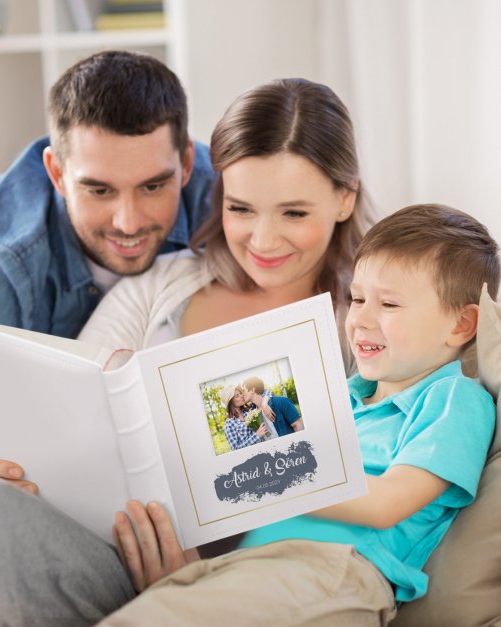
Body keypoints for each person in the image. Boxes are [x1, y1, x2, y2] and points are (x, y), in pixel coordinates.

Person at [0, 77, 373, 626]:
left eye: (294, 214)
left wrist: (194, 579)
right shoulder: (166, 282)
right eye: (241, 209)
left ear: (344, 197)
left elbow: (344, 502)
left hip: (224, 582)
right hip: (86, 544)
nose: (263, 239)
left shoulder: (363, 326)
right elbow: (66, 399)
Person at [101, 204, 498, 626]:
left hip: (334, 571)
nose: (360, 318)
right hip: (248, 566)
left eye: (389, 304)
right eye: (358, 298)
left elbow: (387, 503)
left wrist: (268, 474)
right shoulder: (339, 395)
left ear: (460, 325)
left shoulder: (455, 399)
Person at [0, 50, 214, 497]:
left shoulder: (229, 201)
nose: (128, 222)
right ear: (56, 172)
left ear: (186, 163)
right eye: (98, 190)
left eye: (153, 186)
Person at [219, 385, 269, 450]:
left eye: (240, 394)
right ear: (231, 402)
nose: (241, 396)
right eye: (237, 396)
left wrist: (265, 404)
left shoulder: (250, 410)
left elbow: (267, 392)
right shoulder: (229, 424)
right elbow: (236, 449)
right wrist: (256, 435)